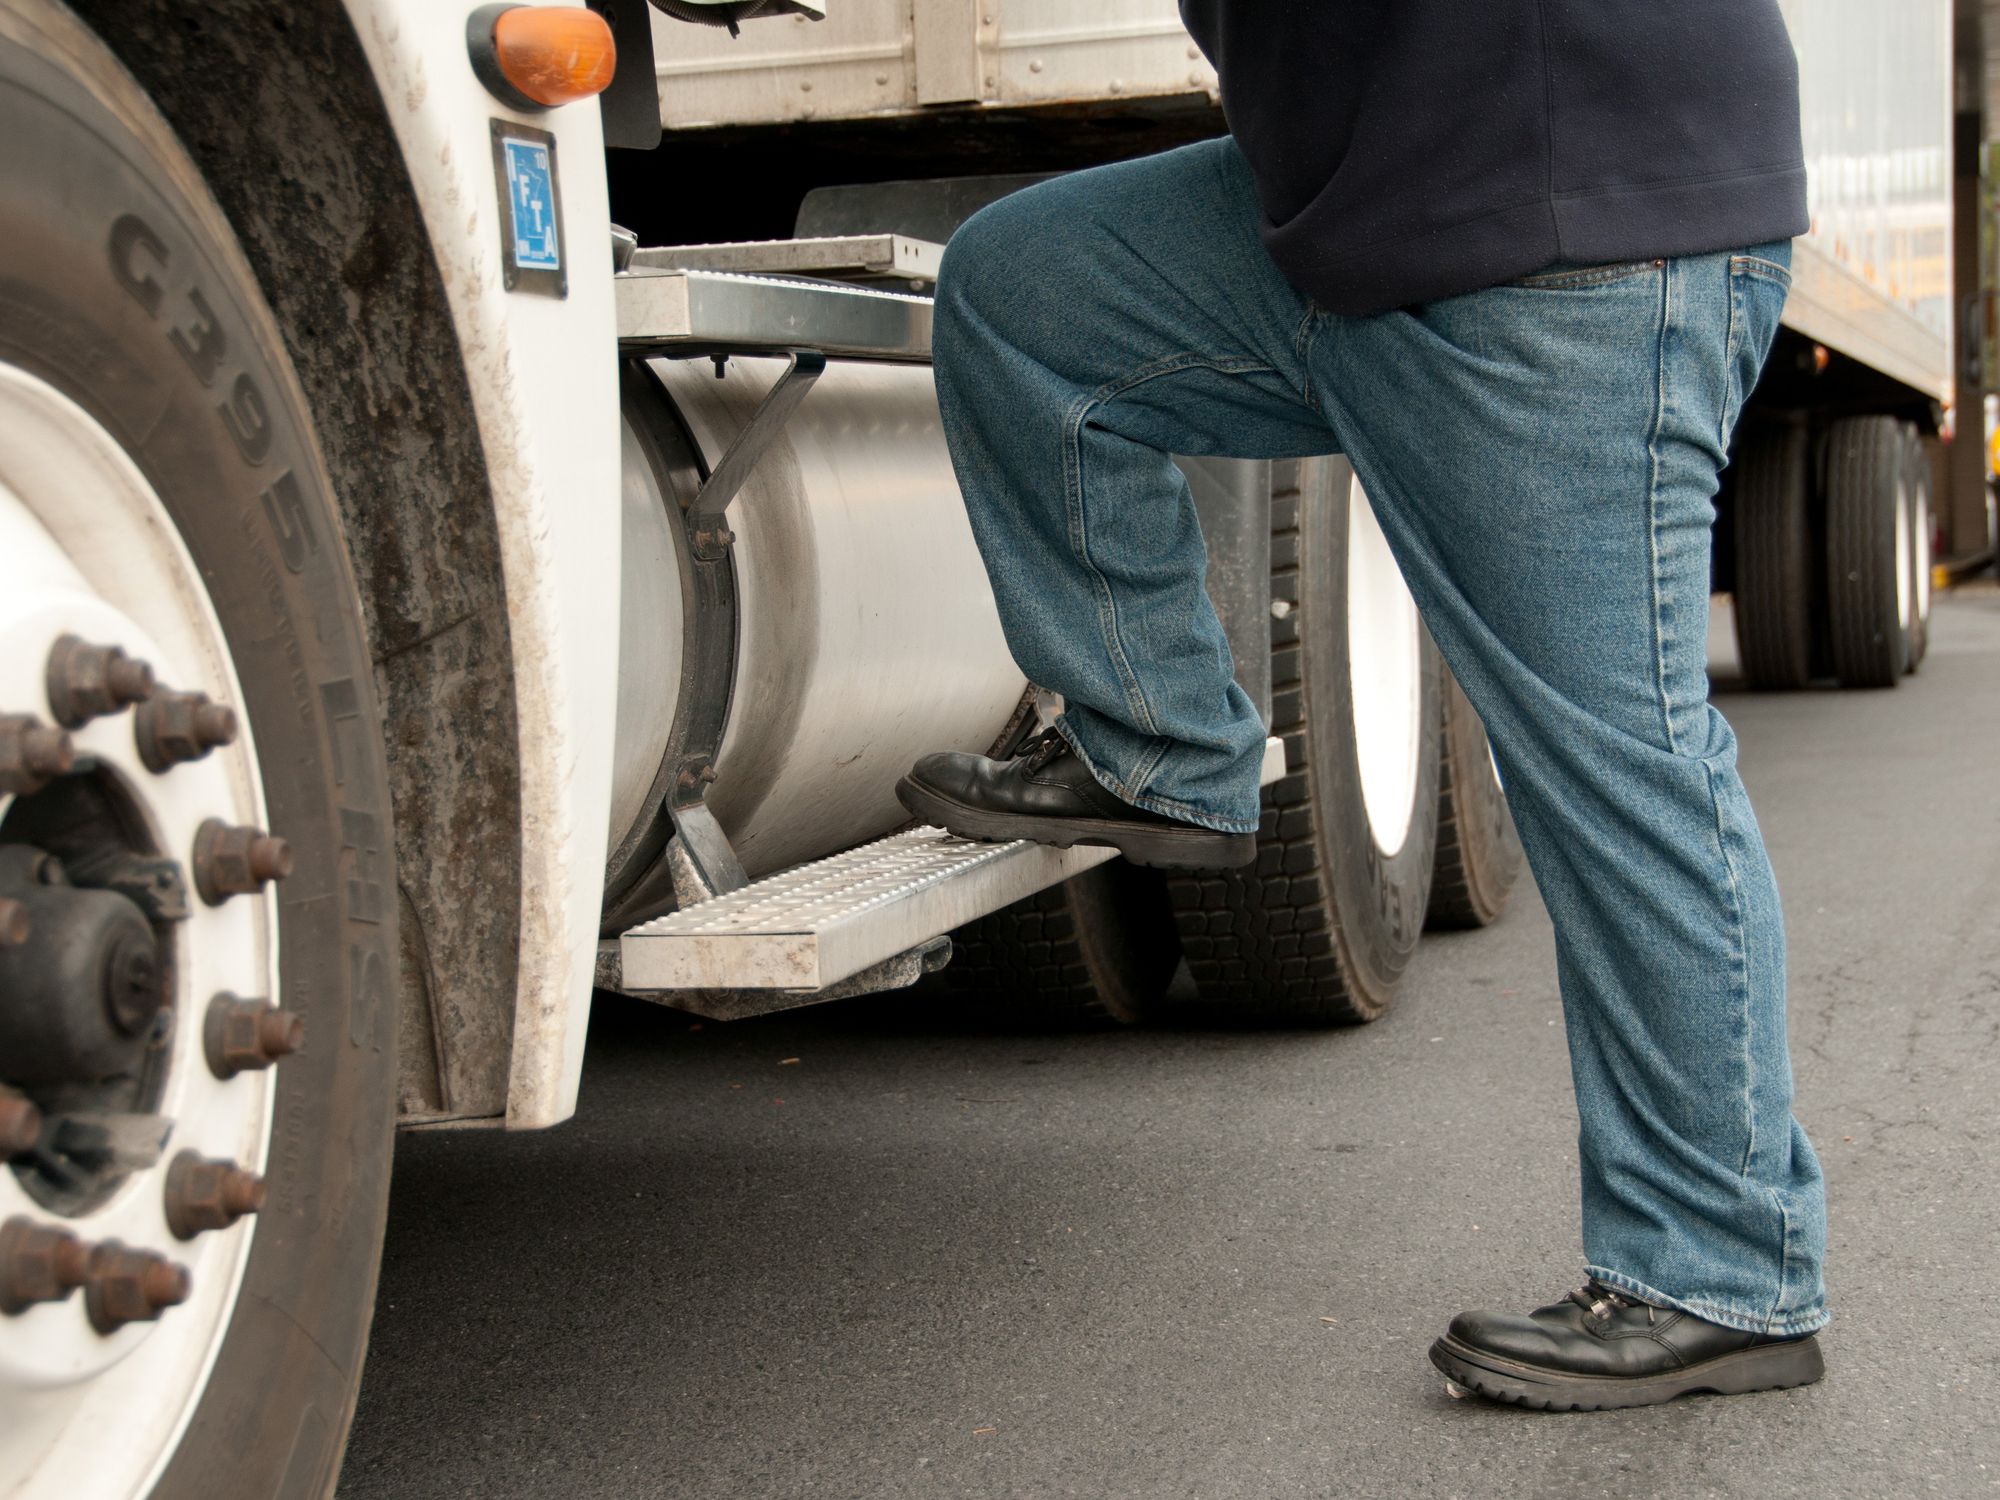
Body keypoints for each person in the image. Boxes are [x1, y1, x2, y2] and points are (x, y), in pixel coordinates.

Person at [895, 0, 1828, 1410]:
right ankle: (1163, 744)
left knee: (1618, 765)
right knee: (1029, 288)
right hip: (1364, 205)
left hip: (1562, 218)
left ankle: (1723, 1272)